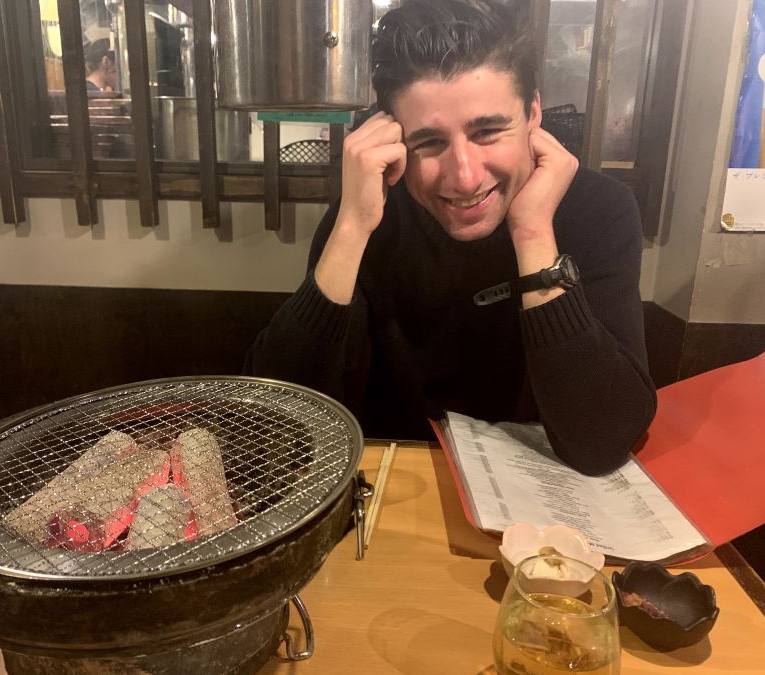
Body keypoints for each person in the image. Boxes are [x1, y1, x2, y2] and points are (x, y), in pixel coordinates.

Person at [245, 0, 656, 476]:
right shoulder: (371, 212)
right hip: (396, 486)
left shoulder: (599, 209)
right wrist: (352, 226)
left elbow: (604, 441)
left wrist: (532, 233)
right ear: (393, 138)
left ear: (533, 113)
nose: (464, 177)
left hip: (545, 496)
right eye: (429, 142)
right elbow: (273, 428)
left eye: (488, 131)